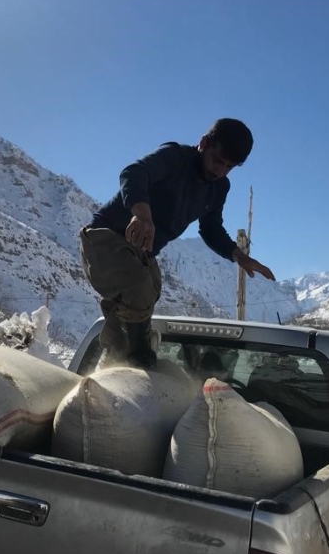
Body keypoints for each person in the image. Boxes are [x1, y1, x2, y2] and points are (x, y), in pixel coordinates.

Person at [80, 118, 275, 367]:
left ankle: (115, 360)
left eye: (229, 167)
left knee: (149, 291)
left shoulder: (218, 188)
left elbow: (211, 228)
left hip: (142, 252)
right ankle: (138, 358)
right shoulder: (175, 157)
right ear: (204, 143)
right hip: (105, 239)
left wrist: (239, 255)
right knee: (138, 287)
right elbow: (134, 172)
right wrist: (141, 214)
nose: (220, 171)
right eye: (217, 160)